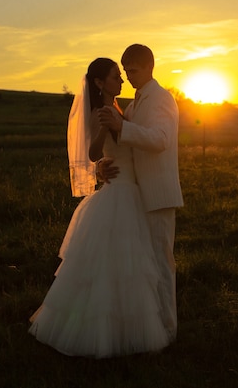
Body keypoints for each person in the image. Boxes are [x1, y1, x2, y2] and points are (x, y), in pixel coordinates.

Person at [28, 57, 170, 358]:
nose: (120, 81)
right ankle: (96, 332)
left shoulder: (122, 108)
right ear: (98, 83)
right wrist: (104, 141)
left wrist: (116, 127)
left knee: (131, 268)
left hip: (132, 191)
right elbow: (93, 151)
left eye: (122, 75)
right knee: (109, 267)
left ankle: (124, 328)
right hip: (118, 194)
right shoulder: (100, 112)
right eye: (115, 76)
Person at [97, 44, 184, 342]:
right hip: (136, 195)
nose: (128, 77)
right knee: (145, 266)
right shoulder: (134, 104)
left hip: (158, 195)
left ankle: (168, 332)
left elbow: (160, 139)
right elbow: (123, 149)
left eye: (132, 70)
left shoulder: (161, 98)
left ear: (149, 67)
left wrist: (123, 127)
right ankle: (150, 328)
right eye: (125, 71)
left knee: (161, 264)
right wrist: (102, 167)